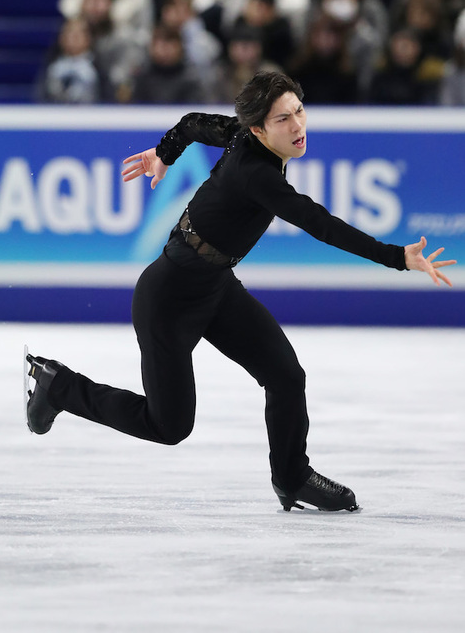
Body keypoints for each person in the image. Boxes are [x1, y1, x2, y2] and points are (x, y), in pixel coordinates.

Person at [26, 71, 456, 513]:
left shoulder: (239, 135)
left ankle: (292, 476)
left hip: (215, 286)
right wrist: (397, 257)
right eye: (283, 119)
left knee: (286, 376)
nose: (298, 126)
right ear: (258, 128)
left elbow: (192, 122)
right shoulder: (257, 174)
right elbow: (321, 224)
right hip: (168, 298)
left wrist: (164, 153)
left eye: (299, 111)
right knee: (168, 425)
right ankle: (60, 387)